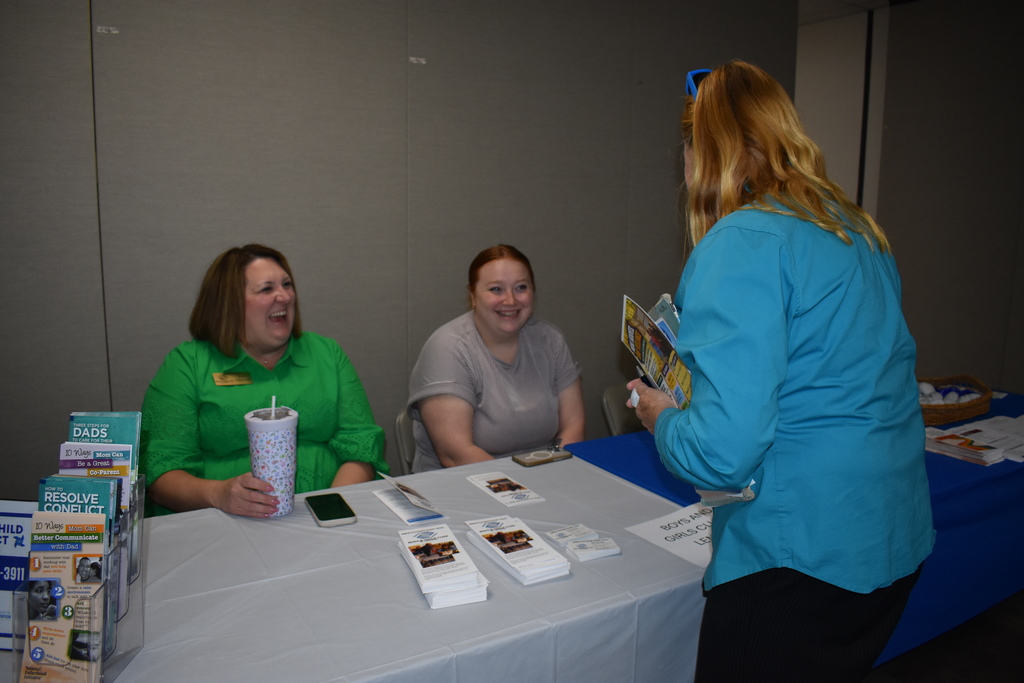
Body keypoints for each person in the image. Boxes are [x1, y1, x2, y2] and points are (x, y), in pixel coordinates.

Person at [627, 61, 935, 682]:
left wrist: (660, 415)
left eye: (687, 146)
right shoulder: (855, 230)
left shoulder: (745, 241)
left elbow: (721, 455)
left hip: (801, 556)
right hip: (887, 538)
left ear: (702, 149)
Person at [141, 244, 388, 517]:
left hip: (328, 515)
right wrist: (219, 495)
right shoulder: (188, 365)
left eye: (287, 285)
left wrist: (327, 506)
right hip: (221, 521)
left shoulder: (327, 354)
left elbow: (362, 447)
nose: (284, 296)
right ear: (229, 303)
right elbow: (160, 472)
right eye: (267, 289)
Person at [407, 244, 584, 472]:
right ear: (472, 295)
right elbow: (456, 454)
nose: (510, 300)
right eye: (496, 289)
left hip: (544, 477)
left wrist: (552, 476)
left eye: (521, 287)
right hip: (461, 485)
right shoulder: (448, 349)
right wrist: (525, 488)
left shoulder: (551, 340)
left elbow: (573, 426)